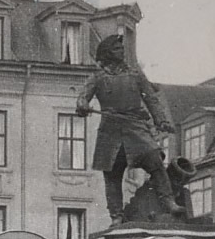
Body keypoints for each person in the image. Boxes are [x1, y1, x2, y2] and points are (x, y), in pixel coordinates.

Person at [75, 34, 181, 224]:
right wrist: (82, 105)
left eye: (122, 49)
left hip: (135, 128)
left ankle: (169, 202)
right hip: (110, 132)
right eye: (117, 49)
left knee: (155, 160)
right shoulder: (97, 78)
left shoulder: (135, 75)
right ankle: (116, 216)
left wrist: (161, 120)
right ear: (107, 53)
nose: (122, 52)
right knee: (113, 175)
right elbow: (83, 98)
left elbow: (151, 98)